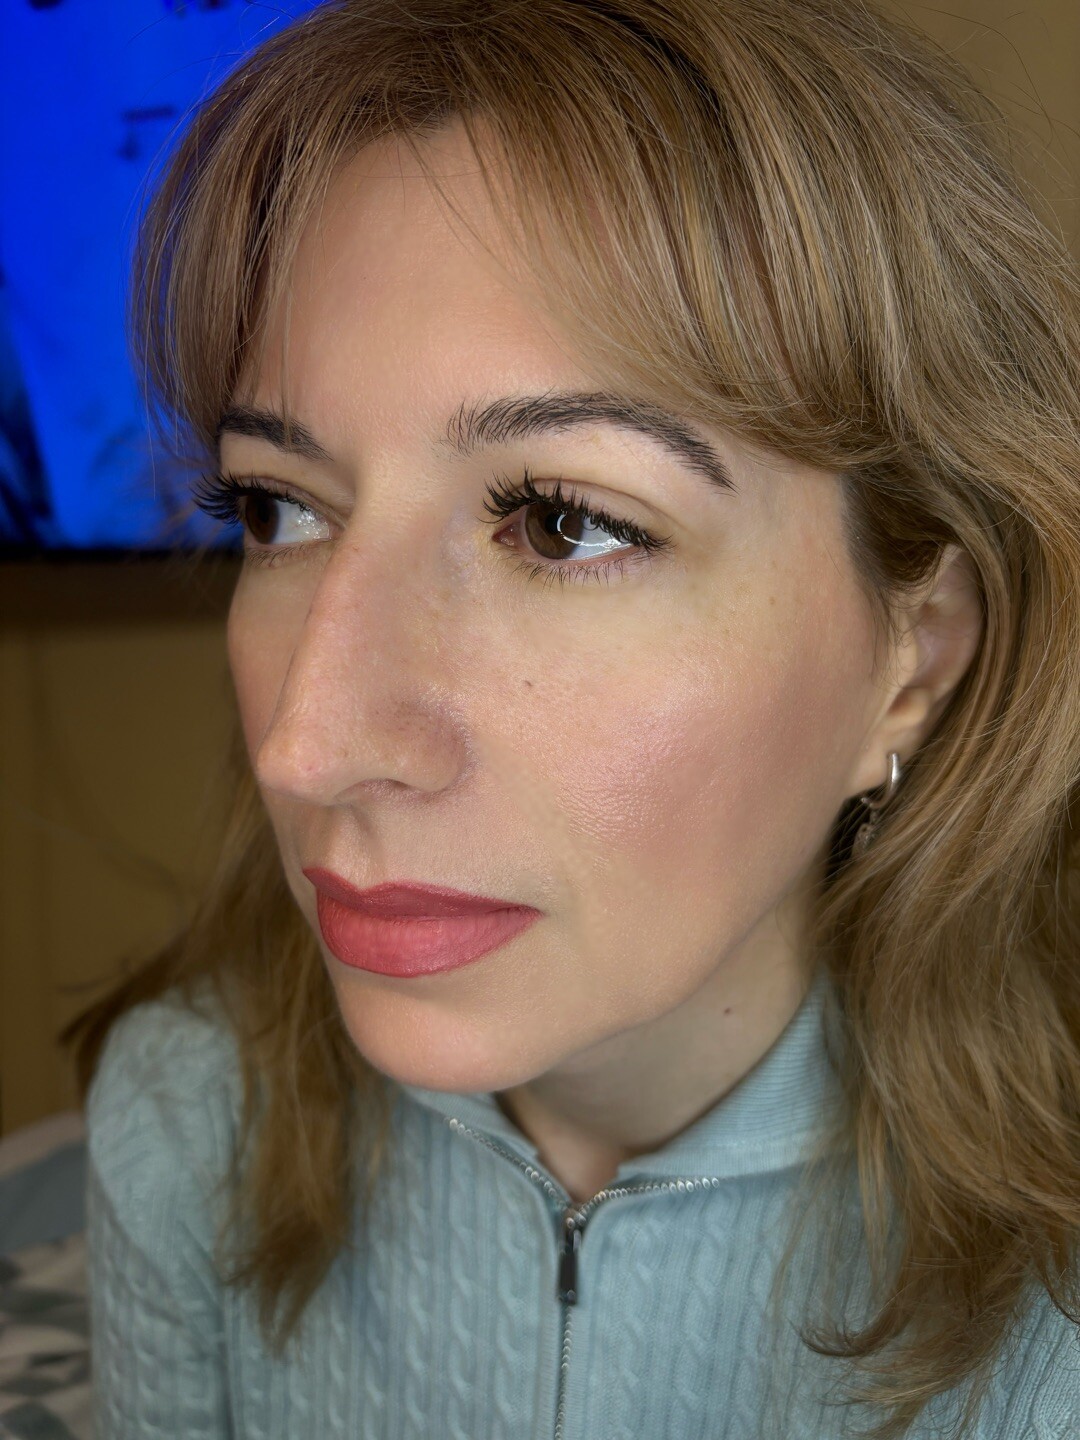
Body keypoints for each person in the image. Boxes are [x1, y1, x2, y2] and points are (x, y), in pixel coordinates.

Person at [60, 0, 1080, 1435]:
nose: (308, 744)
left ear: (910, 660)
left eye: (562, 523)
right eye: (278, 507)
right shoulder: (189, 1123)